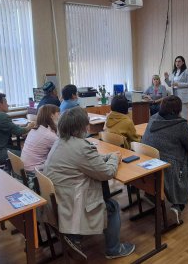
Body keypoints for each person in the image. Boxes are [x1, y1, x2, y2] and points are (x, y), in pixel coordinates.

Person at [42, 107, 135, 259]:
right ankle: (114, 249)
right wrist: (114, 158)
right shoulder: (81, 147)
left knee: (103, 194)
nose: (88, 127)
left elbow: (85, 163)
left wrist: (105, 158)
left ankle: (74, 236)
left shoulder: (60, 142)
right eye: (86, 124)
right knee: (112, 206)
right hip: (71, 203)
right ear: (81, 127)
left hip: (58, 200)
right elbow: (107, 173)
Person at [141, 95, 188, 223]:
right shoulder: (180, 125)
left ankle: (150, 195)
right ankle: (178, 206)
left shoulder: (153, 118)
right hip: (167, 169)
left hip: (146, 165)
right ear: (177, 110)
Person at [21, 104, 59, 174]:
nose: (59, 117)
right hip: (34, 172)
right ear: (52, 116)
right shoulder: (48, 135)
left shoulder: (35, 130)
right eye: (58, 114)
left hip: (25, 168)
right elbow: (63, 150)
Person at [164, 56, 188, 120]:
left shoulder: (187, 71)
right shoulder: (174, 72)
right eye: (176, 61)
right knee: (176, 114)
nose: (177, 63)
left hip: (183, 96)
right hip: (175, 95)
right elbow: (170, 84)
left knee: (184, 114)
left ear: (183, 62)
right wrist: (166, 78)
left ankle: (185, 128)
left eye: (179, 61)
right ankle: (178, 128)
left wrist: (178, 84)